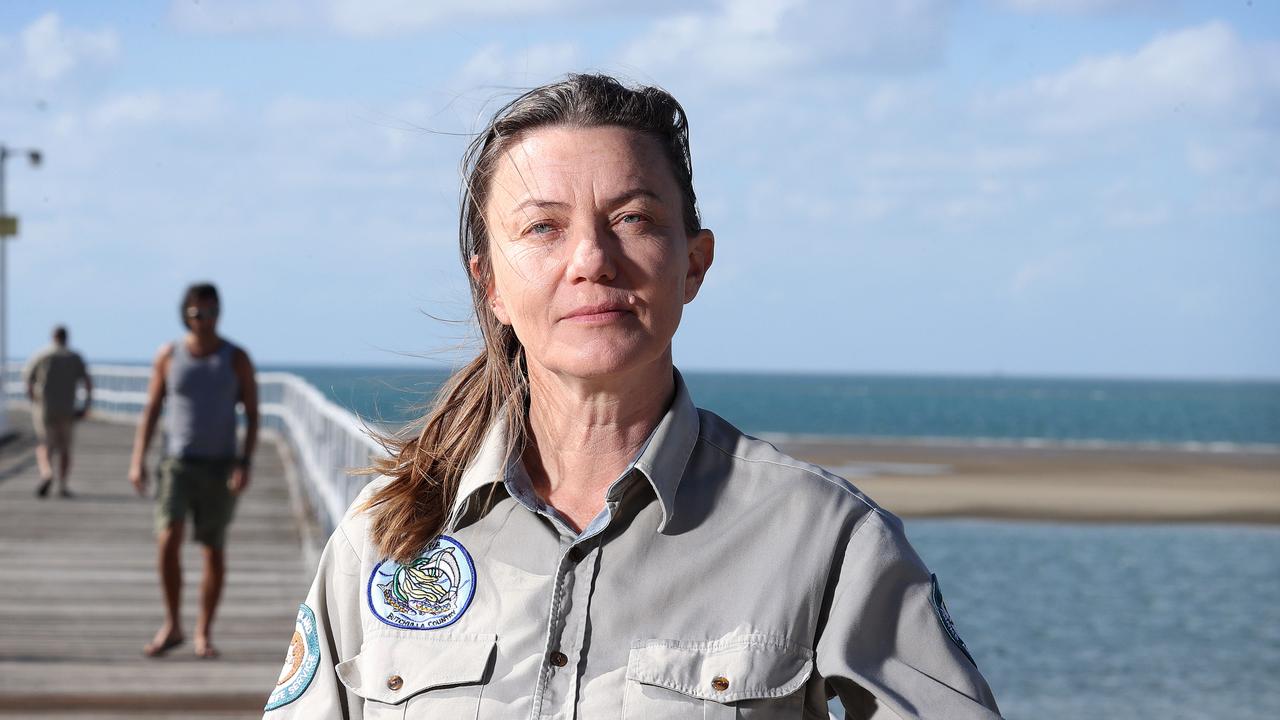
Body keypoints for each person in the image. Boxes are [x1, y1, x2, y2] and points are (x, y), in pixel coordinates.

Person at [262, 74, 1001, 719]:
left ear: (694, 263)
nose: (591, 259)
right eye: (543, 227)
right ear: (489, 284)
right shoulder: (386, 534)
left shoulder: (826, 539)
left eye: (633, 220)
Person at [129, 282, 259, 660]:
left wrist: (245, 461)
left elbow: (252, 415)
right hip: (177, 463)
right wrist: (137, 459)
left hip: (220, 467)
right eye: (199, 314)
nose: (206, 321)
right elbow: (152, 409)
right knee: (167, 539)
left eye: (212, 313)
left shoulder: (236, 358)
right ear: (186, 315)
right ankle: (173, 624)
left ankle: (203, 631)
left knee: (212, 550)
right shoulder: (169, 355)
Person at [23, 325, 91, 498]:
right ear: (67, 338)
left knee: (45, 444)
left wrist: (34, 400)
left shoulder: (42, 355)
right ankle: (63, 485)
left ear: (53, 337)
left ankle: (47, 473)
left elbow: (28, 380)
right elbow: (88, 383)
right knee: (65, 448)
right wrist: (86, 405)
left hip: (45, 407)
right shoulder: (74, 357)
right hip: (67, 408)